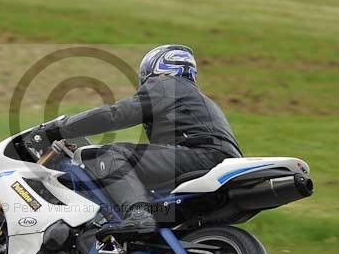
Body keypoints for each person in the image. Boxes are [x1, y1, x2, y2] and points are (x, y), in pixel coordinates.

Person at [32, 44, 242, 238]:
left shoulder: (169, 84)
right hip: (215, 162)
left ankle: (138, 216)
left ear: (156, 69)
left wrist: (57, 128)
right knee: (156, 208)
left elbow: (117, 114)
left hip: (201, 156)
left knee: (109, 154)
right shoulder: (196, 97)